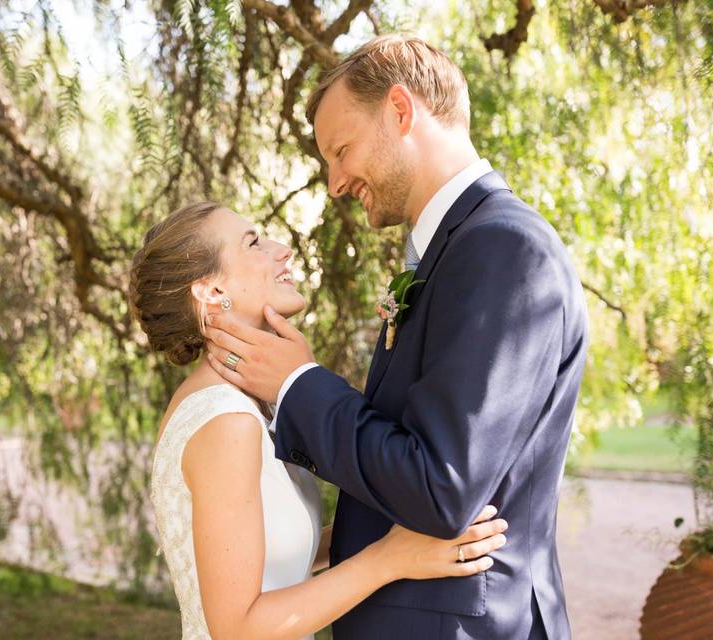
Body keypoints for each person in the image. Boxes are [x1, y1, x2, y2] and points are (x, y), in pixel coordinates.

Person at [204, 35, 588, 639]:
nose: (334, 182)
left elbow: (441, 486)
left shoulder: (502, 249)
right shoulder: (452, 252)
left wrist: (299, 386)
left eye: (342, 149)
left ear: (401, 112)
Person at [131, 201, 508, 640]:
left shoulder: (241, 405)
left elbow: (264, 560)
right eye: (254, 242)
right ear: (211, 292)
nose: (282, 250)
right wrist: (390, 558)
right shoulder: (223, 420)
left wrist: (409, 524)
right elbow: (236, 627)